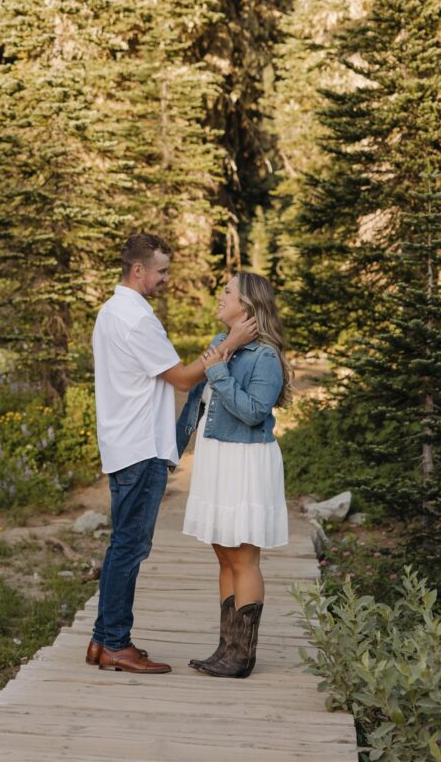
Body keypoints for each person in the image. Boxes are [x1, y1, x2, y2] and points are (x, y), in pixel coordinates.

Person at [87, 234, 258, 674]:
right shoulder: (137, 319)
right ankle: (116, 645)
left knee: (121, 543)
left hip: (123, 442)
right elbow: (183, 379)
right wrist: (230, 344)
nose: (165, 279)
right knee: (130, 546)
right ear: (138, 270)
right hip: (140, 445)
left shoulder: (111, 311)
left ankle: (102, 640)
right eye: (161, 271)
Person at [176, 272, 291, 678]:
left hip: (245, 461)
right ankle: (226, 647)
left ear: (248, 305)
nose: (219, 296)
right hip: (217, 459)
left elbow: (254, 412)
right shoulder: (224, 346)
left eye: (227, 291)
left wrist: (220, 372)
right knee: (223, 554)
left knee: (243, 556)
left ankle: (242, 656)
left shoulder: (265, 357)